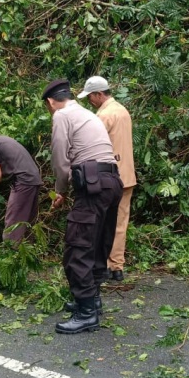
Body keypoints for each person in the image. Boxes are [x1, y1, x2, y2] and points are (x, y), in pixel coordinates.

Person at [42, 79, 123, 334]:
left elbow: (59, 156)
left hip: (93, 184)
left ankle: (87, 313)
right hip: (111, 181)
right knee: (98, 244)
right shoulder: (87, 113)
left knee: (78, 247)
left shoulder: (62, 115)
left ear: (50, 102)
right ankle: (91, 301)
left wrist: (60, 190)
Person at [77, 76, 136, 282]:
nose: (89, 101)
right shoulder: (122, 110)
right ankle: (116, 266)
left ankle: (99, 264)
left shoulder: (103, 116)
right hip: (126, 176)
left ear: (99, 94)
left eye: (90, 97)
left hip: (107, 176)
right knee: (120, 223)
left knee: (101, 222)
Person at [0, 121, 43, 244]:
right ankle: (29, 256)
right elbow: (11, 166)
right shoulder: (2, 139)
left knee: (13, 226)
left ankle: (10, 254)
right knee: (27, 223)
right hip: (34, 179)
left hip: (23, 181)